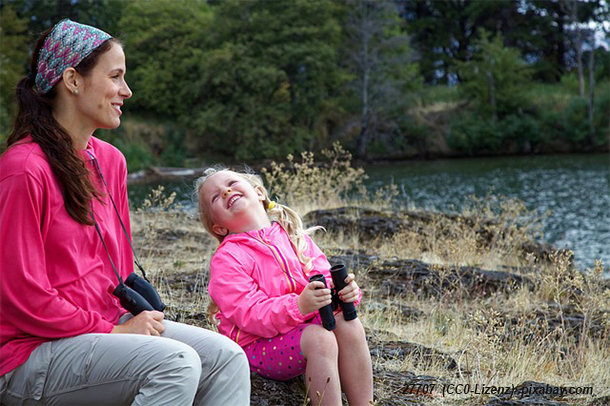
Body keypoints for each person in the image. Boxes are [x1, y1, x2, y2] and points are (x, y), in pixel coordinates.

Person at [0, 19, 250, 405]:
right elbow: (22, 296)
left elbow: (115, 268)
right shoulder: (23, 169)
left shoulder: (110, 162)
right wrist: (113, 331)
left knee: (227, 358)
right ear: (73, 80)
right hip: (30, 352)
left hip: (101, 331)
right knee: (176, 363)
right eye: (115, 76)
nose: (126, 91)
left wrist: (119, 325)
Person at [196, 168, 374, 405]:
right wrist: (298, 306)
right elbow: (249, 314)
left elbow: (324, 279)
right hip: (257, 345)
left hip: (300, 327)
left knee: (349, 324)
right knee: (320, 339)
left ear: (259, 192)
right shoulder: (228, 258)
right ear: (219, 227)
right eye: (216, 197)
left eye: (231, 183)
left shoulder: (292, 235)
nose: (226, 191)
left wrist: (345, 294)